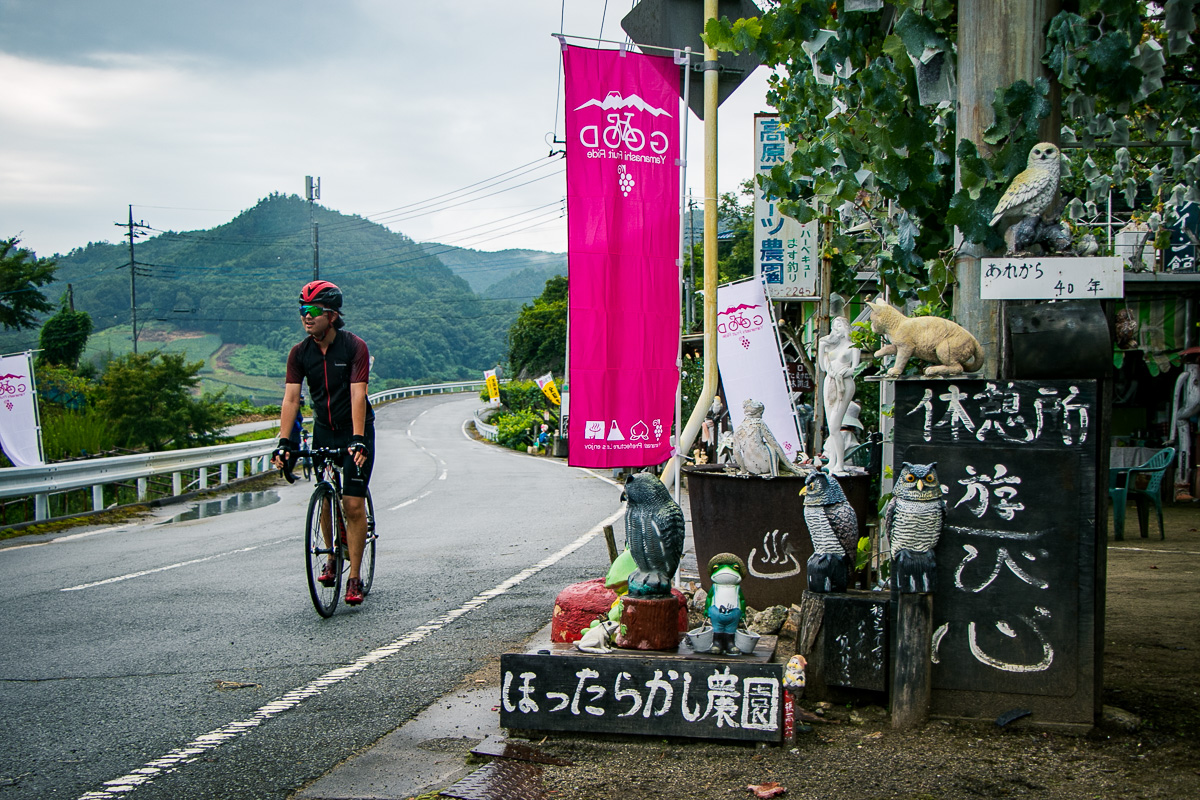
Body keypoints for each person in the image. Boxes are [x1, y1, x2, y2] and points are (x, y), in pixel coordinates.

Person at [272, 280, 375, 605]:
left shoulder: (353, 347)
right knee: (327, 497)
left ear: (331, 315)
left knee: (353, 504)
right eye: (302, 310)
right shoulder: (299, 354)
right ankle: (332, 555)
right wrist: (284, 442)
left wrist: (358, 440)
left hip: (355, 429)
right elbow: (291, 399)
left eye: (313, 311)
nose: (306, 317)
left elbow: (359, 394)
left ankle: (355, 576)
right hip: (324, 430)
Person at [817, 315, 860, 475]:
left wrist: (844, 372)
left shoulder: (853, 346)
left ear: (846, 327)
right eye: (835, 326)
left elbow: (855, 368)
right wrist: (821, 346)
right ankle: (833, 461)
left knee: (836, 426)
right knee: (830, 425)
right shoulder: (830, 347)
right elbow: (822, 366)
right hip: (830, 382)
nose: (837, 329)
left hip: (844, 383)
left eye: (839, 325)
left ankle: (840, 464)